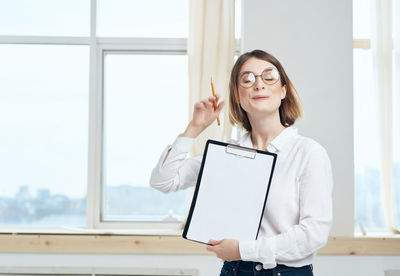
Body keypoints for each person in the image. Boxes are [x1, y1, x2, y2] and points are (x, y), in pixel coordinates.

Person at [150, 49, 333, 276]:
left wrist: (243, 249)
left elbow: (314, 234)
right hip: (234, 271)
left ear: (284, 90)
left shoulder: (308, 153)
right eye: (247, 79)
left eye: (269, 77)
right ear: (237, 95)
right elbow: (163, 181)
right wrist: (194, 128)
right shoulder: (226, 153)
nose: (259, 85)